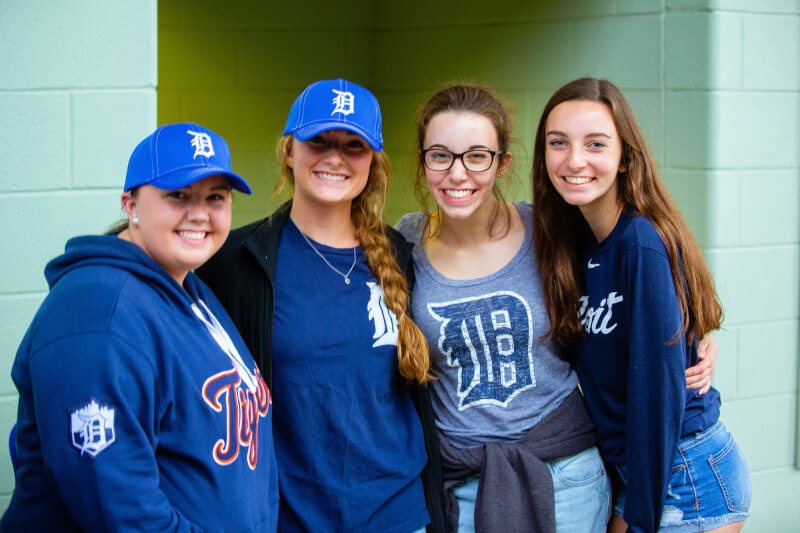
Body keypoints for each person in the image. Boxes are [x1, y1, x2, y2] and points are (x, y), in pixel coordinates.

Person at [395, 83, 719, 533]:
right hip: (461, 481)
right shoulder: (402, 245)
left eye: (476, 156)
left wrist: (693, 337)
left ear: (502, 162)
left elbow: (635, 276)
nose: (457, 173)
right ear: (423, 159)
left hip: (568, 473)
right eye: (440, 155)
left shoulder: (548, 229)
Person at [196, 79, 447, 533]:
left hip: (397, 514)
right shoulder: (235, 261)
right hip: (288, 516)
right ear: (289, 152)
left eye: (354, 145)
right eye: (319, 142)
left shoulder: (401, 253)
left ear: (373, 162)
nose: (335, 158)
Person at [1, 123, 278, 532]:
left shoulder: (186, 286)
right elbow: (121, 509)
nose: (199, 213)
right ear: (130, 204)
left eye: (215, 197)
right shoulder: (98, 312)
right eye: (178, 196)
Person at [531, 78, 750, 533]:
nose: (575, 160)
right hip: (638, 469)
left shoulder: (640, 244)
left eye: (596, 144)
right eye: (558, 143)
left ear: (625, 158)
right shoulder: (575, 244)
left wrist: (642, 518)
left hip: (684, 473)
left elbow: (657, 392)